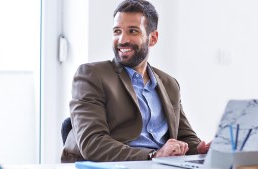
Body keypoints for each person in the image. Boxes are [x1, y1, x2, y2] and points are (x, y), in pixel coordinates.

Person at [61, 0, 210, 163]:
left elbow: (185, 137)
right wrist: (153, 156)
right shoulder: (92, 75)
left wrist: (202, 149)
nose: (122, 39)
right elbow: (92, 143)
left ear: (153, 38)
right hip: (116, 165)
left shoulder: (169, 84)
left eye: (132, 31)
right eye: (117, 31)